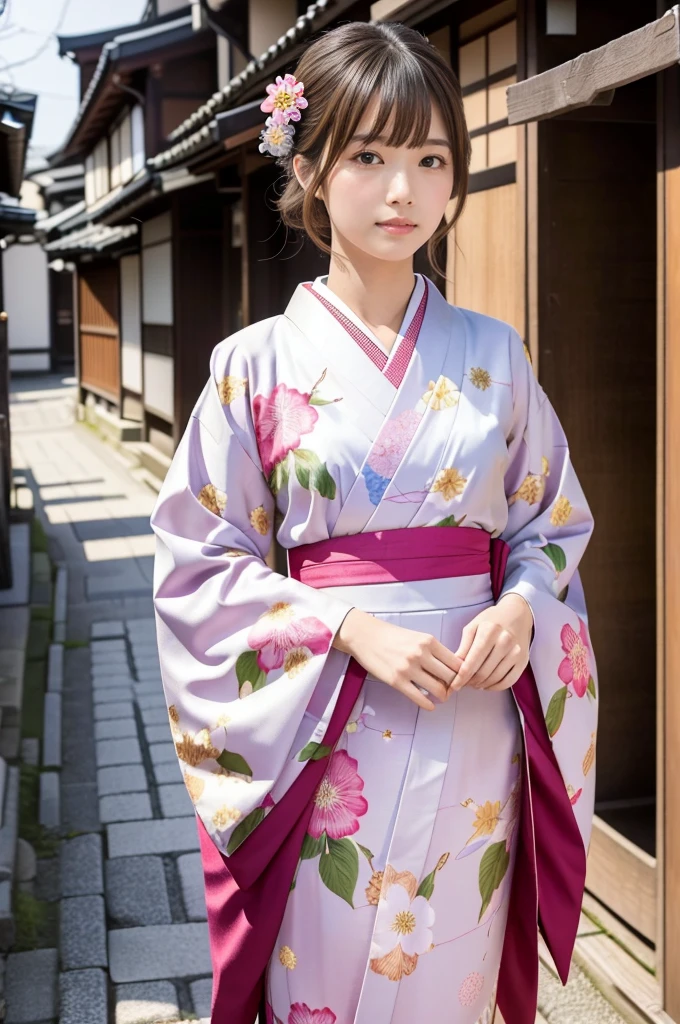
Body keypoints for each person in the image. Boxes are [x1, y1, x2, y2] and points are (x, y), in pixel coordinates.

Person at [150, 19, 598, 1024]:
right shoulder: (253, 365)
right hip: (326, 730)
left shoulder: (494, 355)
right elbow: (195, 559)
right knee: (331, 972)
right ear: (309, 168)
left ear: (454, 177)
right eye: (368, 156)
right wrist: (346, 626)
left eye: (429, 158)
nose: (402, 189)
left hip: (476, 715)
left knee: (450, 964)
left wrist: (525, 606)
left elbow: (550, 524)